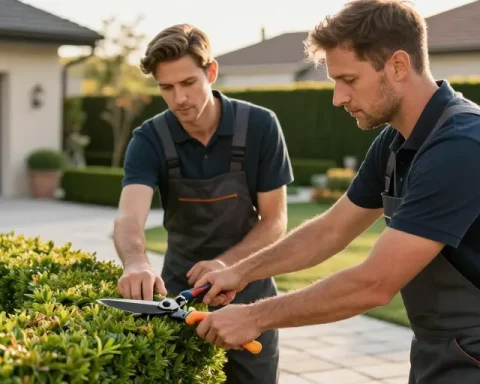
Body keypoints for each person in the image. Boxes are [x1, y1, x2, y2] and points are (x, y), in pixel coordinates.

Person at [192, 1, 480, 383]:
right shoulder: (396, 142)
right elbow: (331, 230)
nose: (337, 98)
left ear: (397, 65)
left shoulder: (461, 146)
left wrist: (253, 316)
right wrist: (239, 272)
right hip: (439, 348)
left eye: (349, 80)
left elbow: (374, 284)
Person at [112, 24, 294, 384]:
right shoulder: (149, 139)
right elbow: (129, 217)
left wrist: (226, 264)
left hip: (250, 293)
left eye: (188, 83)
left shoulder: (260, 126)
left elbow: (275, 220)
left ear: (210, 72)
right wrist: (135, 262)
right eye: (167, 87)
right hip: (182, 295)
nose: (179, 98)